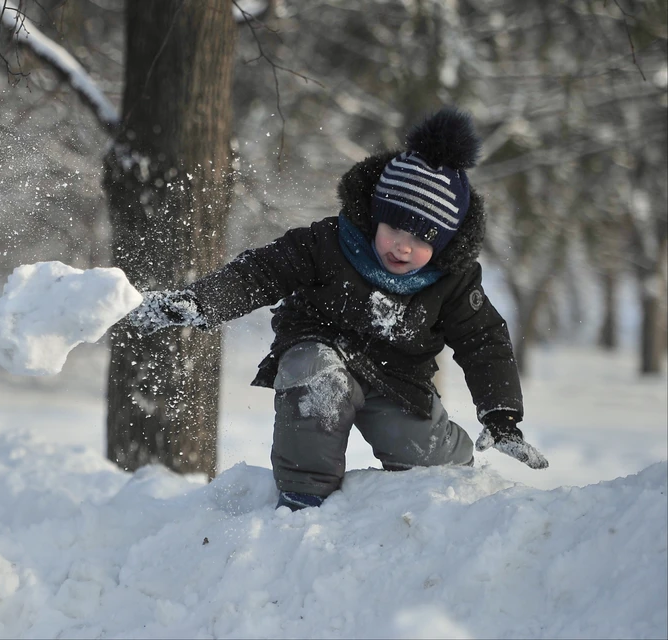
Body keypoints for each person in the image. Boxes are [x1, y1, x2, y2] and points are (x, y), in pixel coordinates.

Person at [126, 107, 548, 511]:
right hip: (319, 344)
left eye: (422, 239)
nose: (403, 246)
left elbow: (484, 341)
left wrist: (501, 416)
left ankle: (454, 482)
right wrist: (201, 301)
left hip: (398, 377)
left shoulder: (453, 282)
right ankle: (303, 500)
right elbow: (260, 272)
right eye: (395, 227)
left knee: (418, 449)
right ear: (375, 216)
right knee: (318, 383)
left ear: (441, 245)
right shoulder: (328, 244)